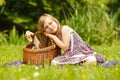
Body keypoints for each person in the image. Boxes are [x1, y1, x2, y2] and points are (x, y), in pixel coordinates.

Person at [25, 13, 106, 66]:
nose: (50, 27)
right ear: (45, 31)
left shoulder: (65, 29)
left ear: (54, 20)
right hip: (70, 55)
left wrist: (53, 37)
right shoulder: (53, 35)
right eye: (46, 27)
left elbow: (65, 47)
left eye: (50, 23)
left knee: (91, 60)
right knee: (54, 63)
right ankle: (76, 65)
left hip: (81, 52)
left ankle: (78, 64)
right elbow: (41, 49)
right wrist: (33, 37)